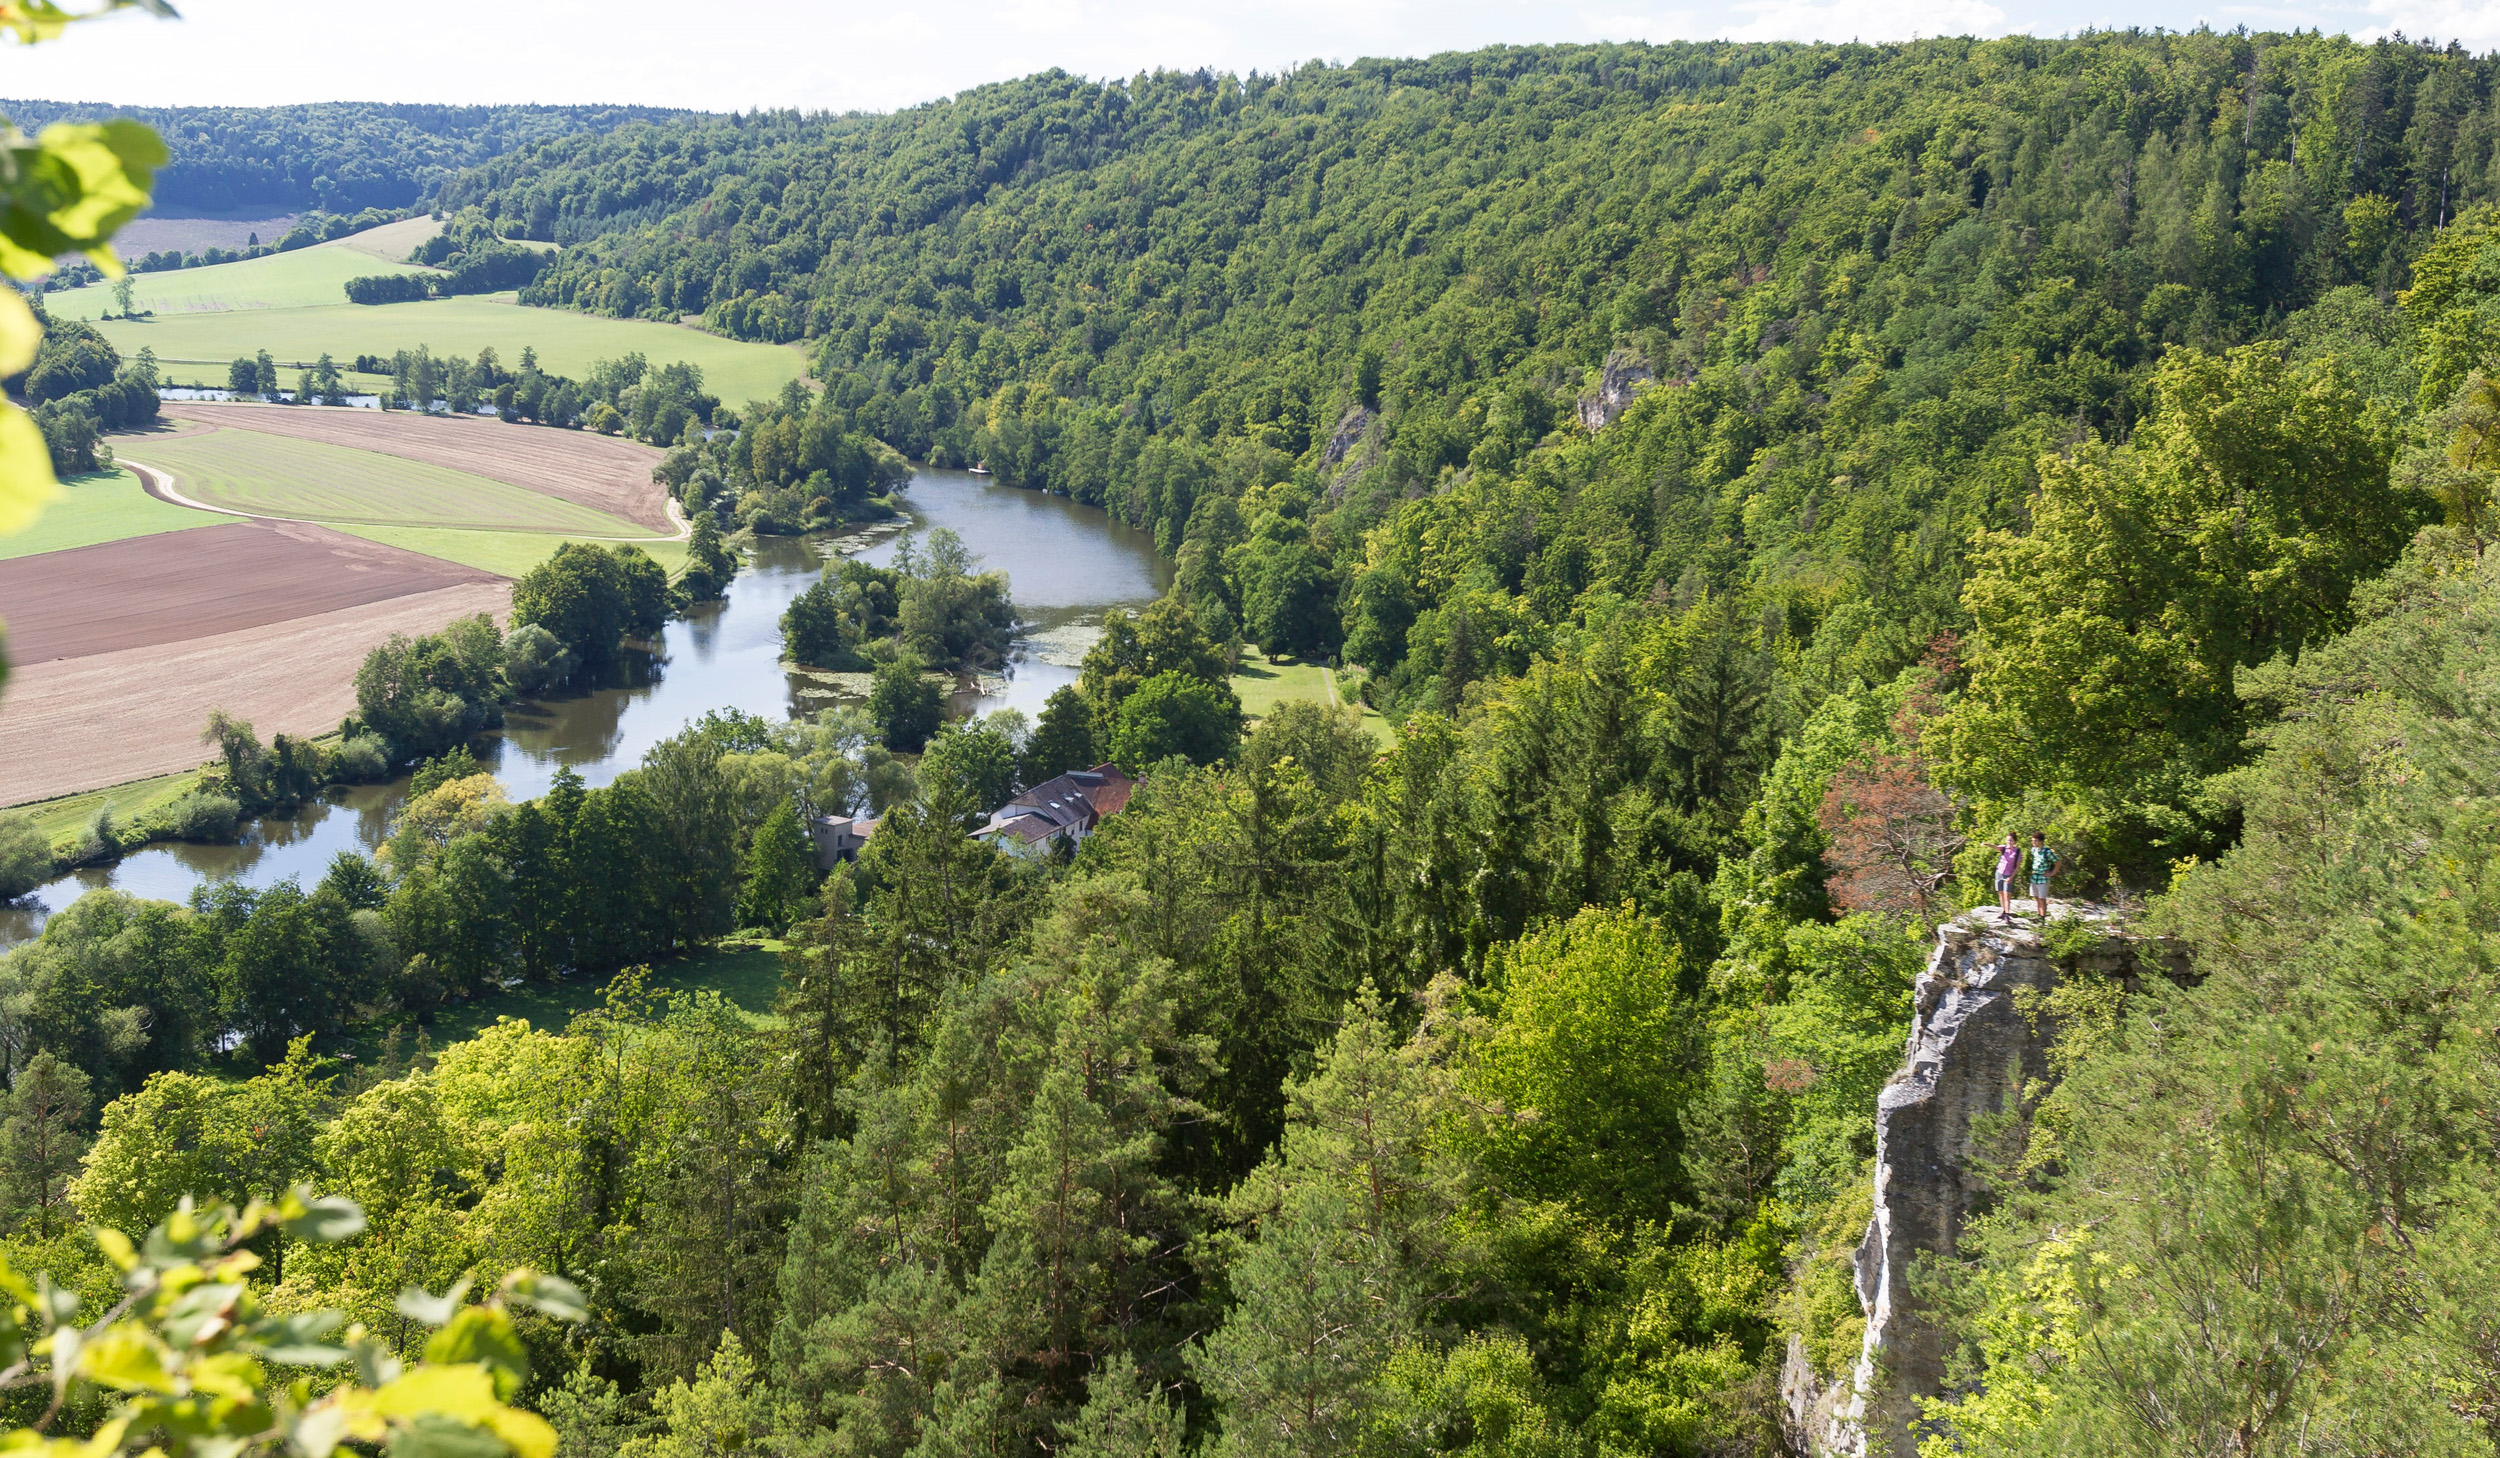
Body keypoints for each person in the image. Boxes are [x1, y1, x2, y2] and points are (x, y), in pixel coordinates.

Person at [2027, 832, 2060, 918]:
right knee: (2037, 897)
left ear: (2041, 841)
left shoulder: (2047, 852)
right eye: (2033, 841)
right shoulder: (2034, 850)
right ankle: (2038, 915)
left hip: (2043, 878)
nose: (2033, 842)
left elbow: (2058, 862)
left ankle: (2042, 918)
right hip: (2035, 877)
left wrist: (2052, 873)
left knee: (2042, 898)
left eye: (2035, 841)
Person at [1993, 833, 2021, 920]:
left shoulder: (2018, 851)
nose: (2009, 842)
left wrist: (2011, 877)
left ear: (2014, 841)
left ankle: (2007, 913)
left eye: (2011, 840)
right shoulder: (2004, 848)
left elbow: (2017, 866)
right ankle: (2003, 911)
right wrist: (1986, 844)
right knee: (2001, 893)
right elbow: (1996, 847)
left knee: (2007, 894)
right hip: (1999, 872)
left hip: (2009, 874)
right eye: (2008, 840)